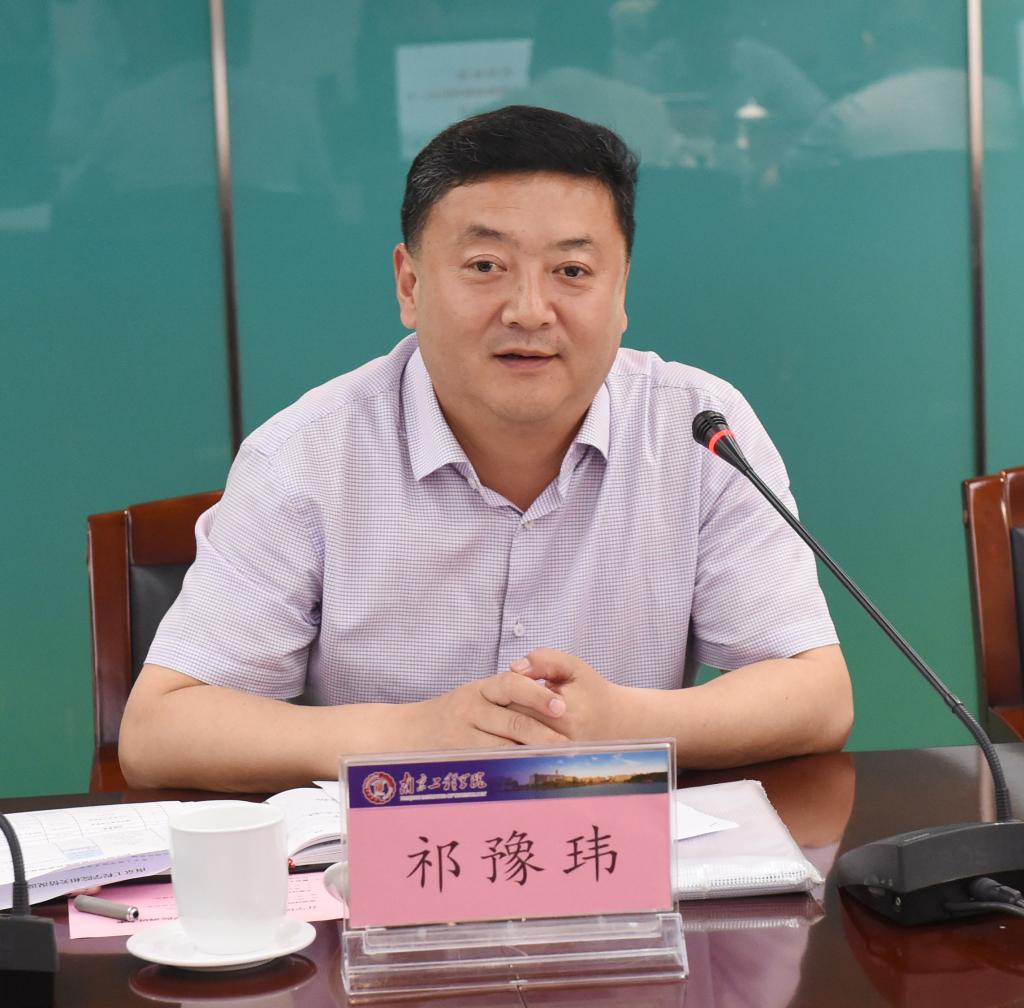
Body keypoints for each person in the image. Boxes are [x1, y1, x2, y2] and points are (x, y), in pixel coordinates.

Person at [119, 105, 852, 792]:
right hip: (388, 867)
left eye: (572, 272)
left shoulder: (698, 430)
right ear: (410, 285)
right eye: (484, 267)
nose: (530, 311)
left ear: (621, 290)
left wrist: (624, 722)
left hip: (610, 861)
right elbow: (159, 728)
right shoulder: (305, 459)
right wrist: (412, 734)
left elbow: (817, 694)